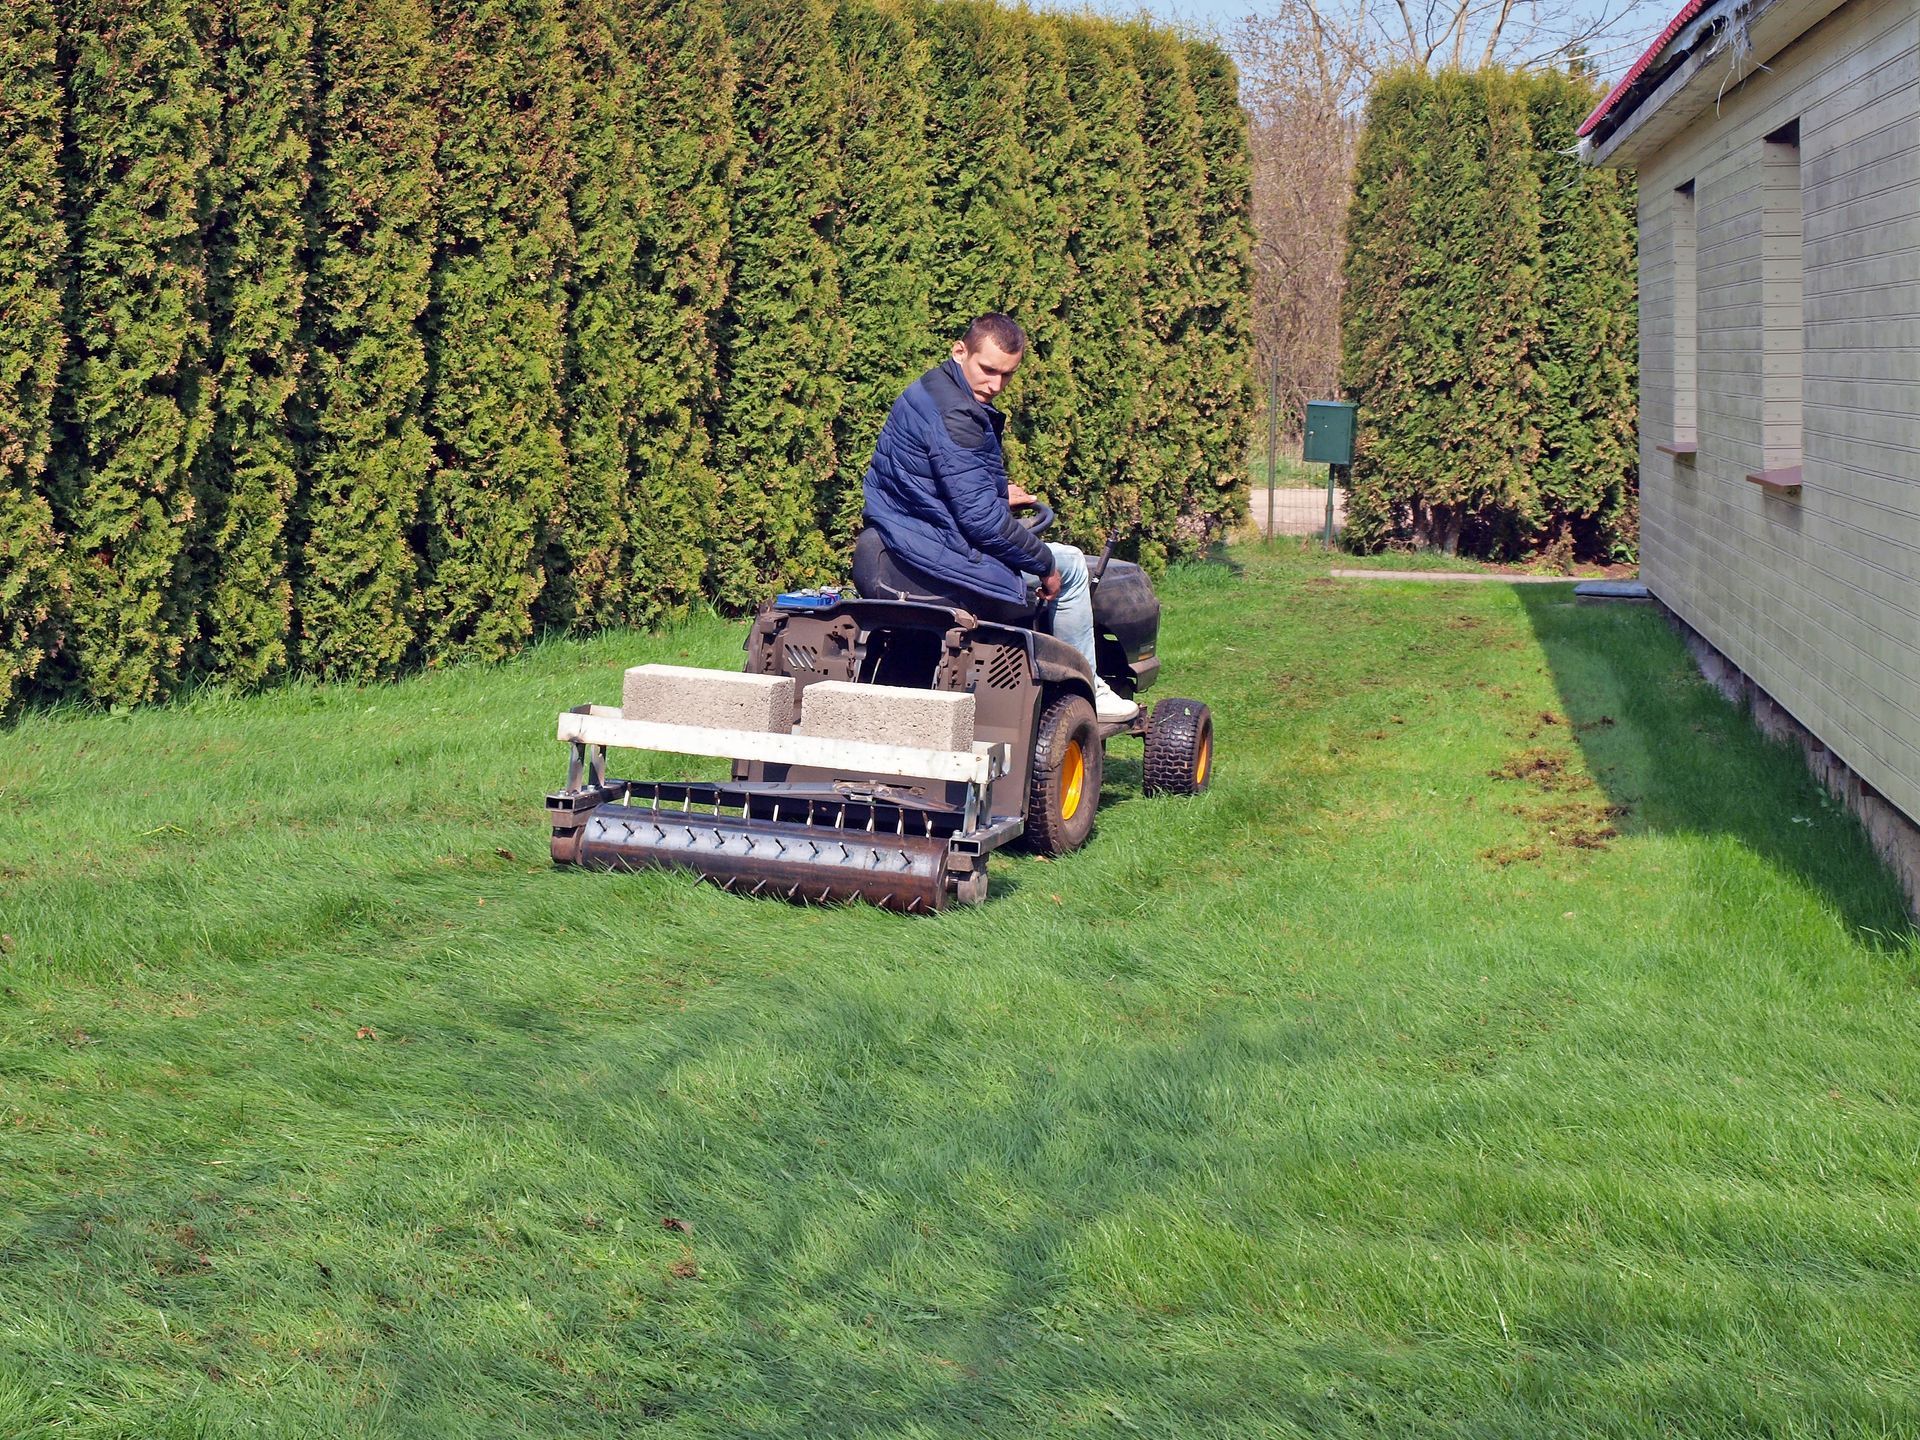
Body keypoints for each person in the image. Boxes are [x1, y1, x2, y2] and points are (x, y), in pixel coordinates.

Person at [858, 313, 1138, 723]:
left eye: (1006, 375)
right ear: (960, 351)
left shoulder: (928, 390)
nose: (995, 385)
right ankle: (1090, 687)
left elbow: (929, 479)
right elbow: (982, 525)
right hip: (933, 555)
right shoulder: (960, 414)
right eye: (987, 370)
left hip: (901, 538)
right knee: (1072, 566)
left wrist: (994, 495)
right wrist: (1043, 565)